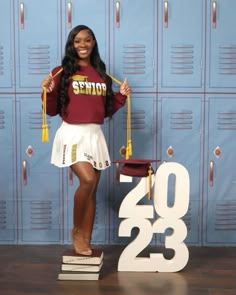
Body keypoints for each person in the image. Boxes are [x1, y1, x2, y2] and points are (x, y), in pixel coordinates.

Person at [40, 25, 131, 256]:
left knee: (92, 189)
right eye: (77, 41)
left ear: (93, 43)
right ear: (72, 44)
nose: (83, 45)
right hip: (72, 134)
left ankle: (86, 238)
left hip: (94, 135)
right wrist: (48, 91)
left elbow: (104, 110)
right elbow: (51, 110)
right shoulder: (61, 72)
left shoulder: (101, 73)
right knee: (88, 180)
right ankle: (76, 230)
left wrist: (121, 95)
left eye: (87, 40)